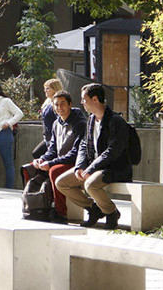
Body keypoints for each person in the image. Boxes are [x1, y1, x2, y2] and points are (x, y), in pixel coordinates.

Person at [55, 83, 132, 229]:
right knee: (61, 182)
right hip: (93, 166)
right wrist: (80, 166)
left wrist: (91, 168)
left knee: (90, 184)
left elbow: (112, 151)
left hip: (114, 168)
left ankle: (111, 213)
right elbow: (84, 145)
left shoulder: (116, 121)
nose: (82, 103)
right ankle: (94, 209)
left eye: (84, 99)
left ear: (95, 99)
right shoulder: (91, 120)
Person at [24, 90, 87, 223]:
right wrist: (43, 159)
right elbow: (52, 148)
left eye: (62, 104)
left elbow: (75, 154)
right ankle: (37, 208)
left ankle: (60, 212)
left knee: (54, 170)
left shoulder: (79, 123)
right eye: (56, 105)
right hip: (61, 161)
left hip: (76, 163)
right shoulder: (56, 123)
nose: (59, 108)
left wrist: (51, 163)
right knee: (29, 168)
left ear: (70, 104)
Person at [32, 78, 63, 159]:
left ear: (55, 89)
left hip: (54, 137)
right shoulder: (47, 102)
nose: (45, 90)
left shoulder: (57, 103)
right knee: (37, 154)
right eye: (44, 88)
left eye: (48, 88)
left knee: (38, 154)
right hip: (47, 137)